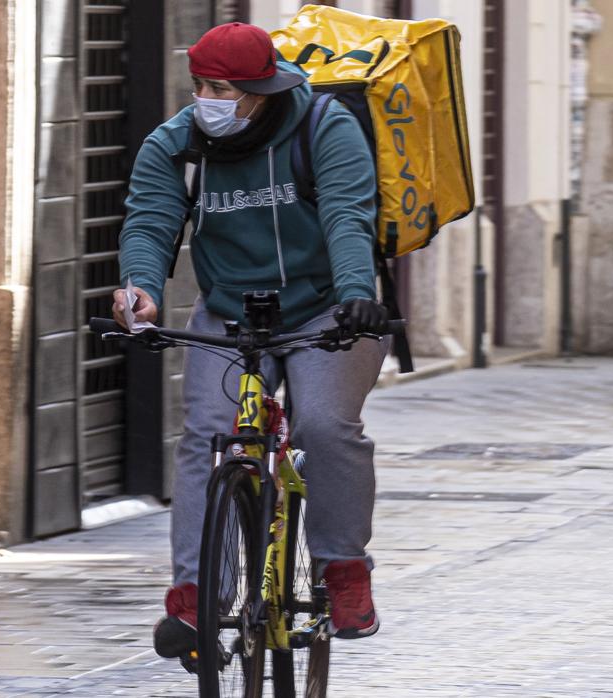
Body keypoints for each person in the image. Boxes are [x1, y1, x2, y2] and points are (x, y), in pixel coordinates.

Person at [112, 22, 388, 665]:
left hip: (328, 309)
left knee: (324, 426)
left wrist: (356, 293)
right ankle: (195, 592)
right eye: (203, 85)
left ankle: (343, 569)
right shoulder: (175, 142)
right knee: (208, 433)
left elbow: (349, 214)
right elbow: (150, 220)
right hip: (231, 312)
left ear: (264, 89)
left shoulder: (324, 126)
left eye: (227, 88)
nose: (211, 98)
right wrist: (140, 290)